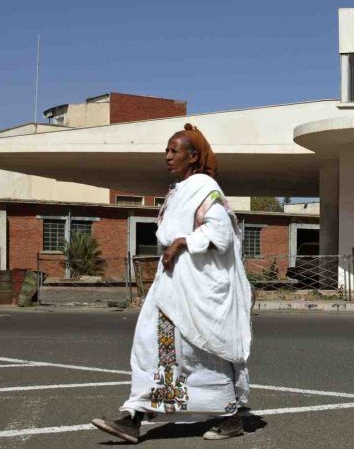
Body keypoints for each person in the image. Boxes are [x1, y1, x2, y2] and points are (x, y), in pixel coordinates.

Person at [92, 124, 252, 443]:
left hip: (198, 289)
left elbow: (220, 233)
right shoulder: (179, 189)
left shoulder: (204, 186)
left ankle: (230, 416)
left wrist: (182, 242)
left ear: (192, 157)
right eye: (166, 150)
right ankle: (136, 416)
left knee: (198, 352)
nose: (167, 156)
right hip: (172, 287)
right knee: (155, 346)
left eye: (173, 150)